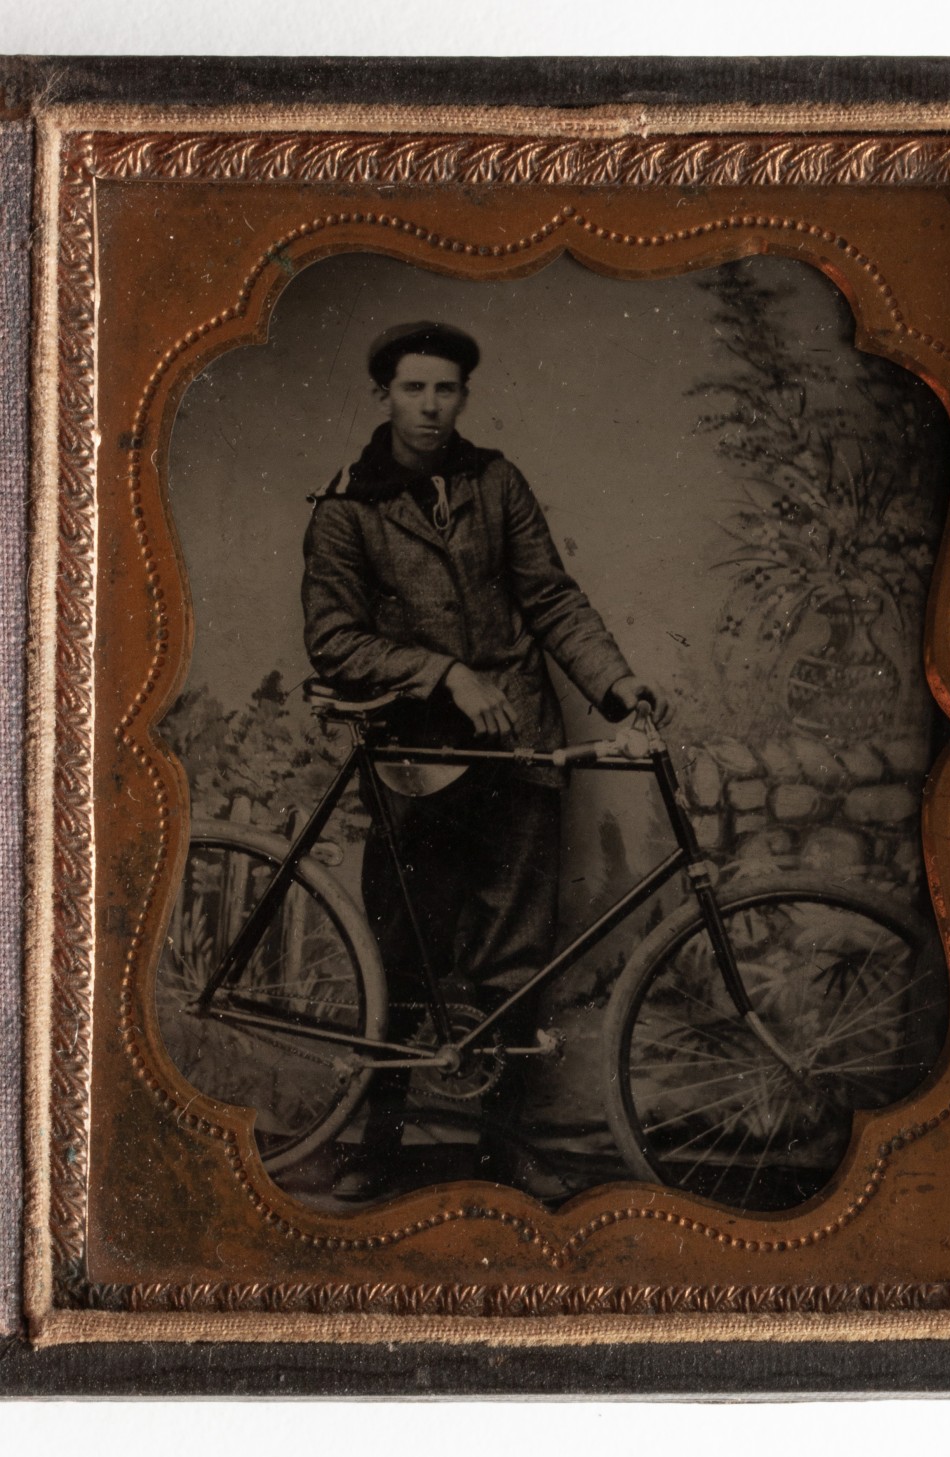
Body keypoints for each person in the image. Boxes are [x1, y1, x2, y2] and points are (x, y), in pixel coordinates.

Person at [301, 321, 669, 1197]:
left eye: (447, 389)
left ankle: (505, 1152)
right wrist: (443, 670)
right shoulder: (347, 507)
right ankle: (379, 1147)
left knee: (514, 959)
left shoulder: (496, 482)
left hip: (515, 750)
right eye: (413, 389)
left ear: (464, 394)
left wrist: (621, 689)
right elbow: (333, 640)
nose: (431, 407)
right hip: (413, 758)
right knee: (401, 949)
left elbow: (550, 596)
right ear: (384, 395)